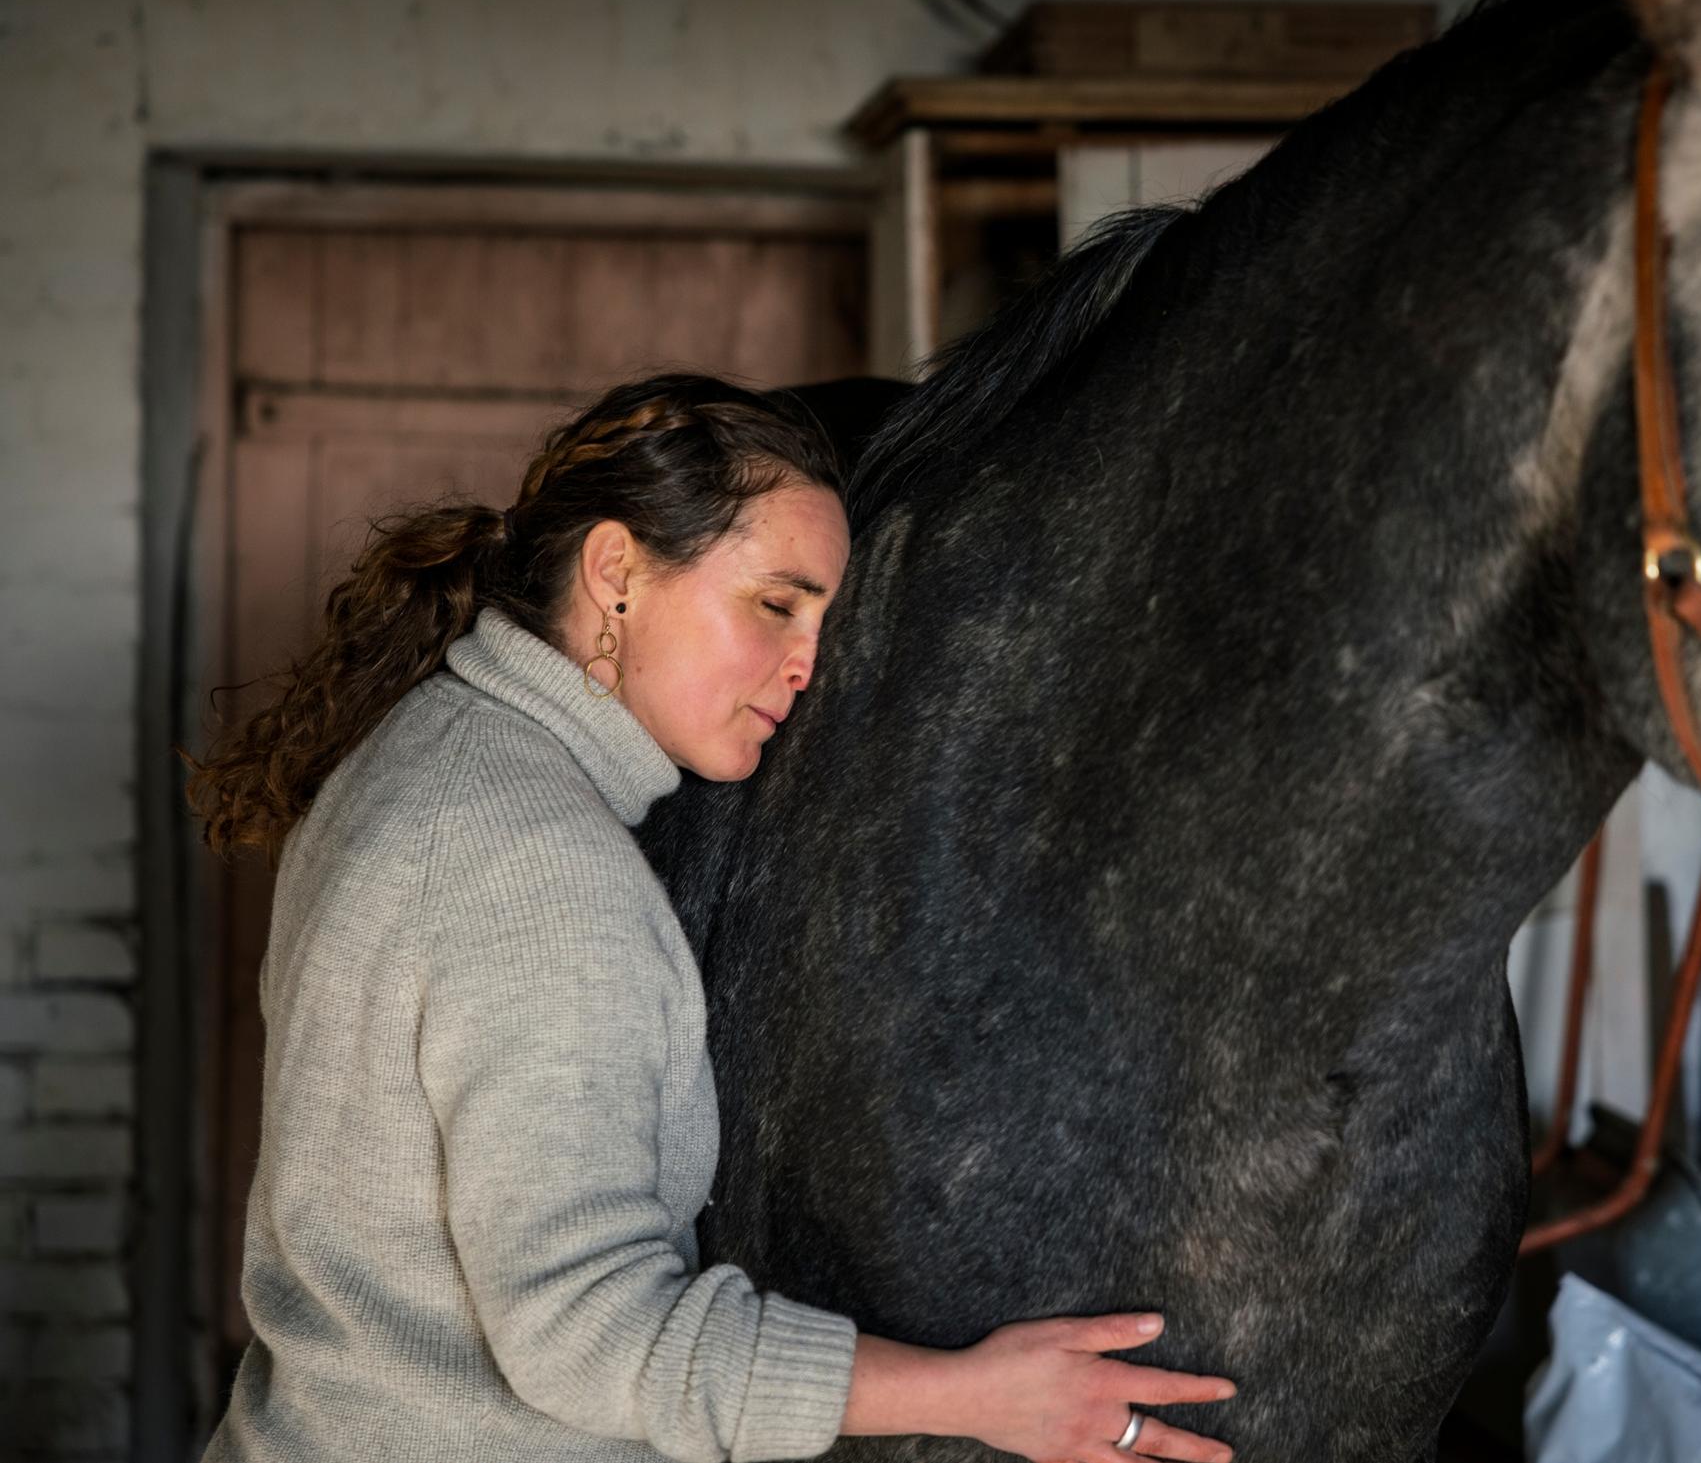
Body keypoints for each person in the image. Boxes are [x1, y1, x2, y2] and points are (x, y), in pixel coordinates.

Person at [183, 371, 1236, 1463]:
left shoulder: (434, 757)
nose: (807, 664)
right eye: (777, 603)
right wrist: (977, 1396)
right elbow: (585, 1327)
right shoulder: (532, 864)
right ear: (616, 572)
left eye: (826, 619)